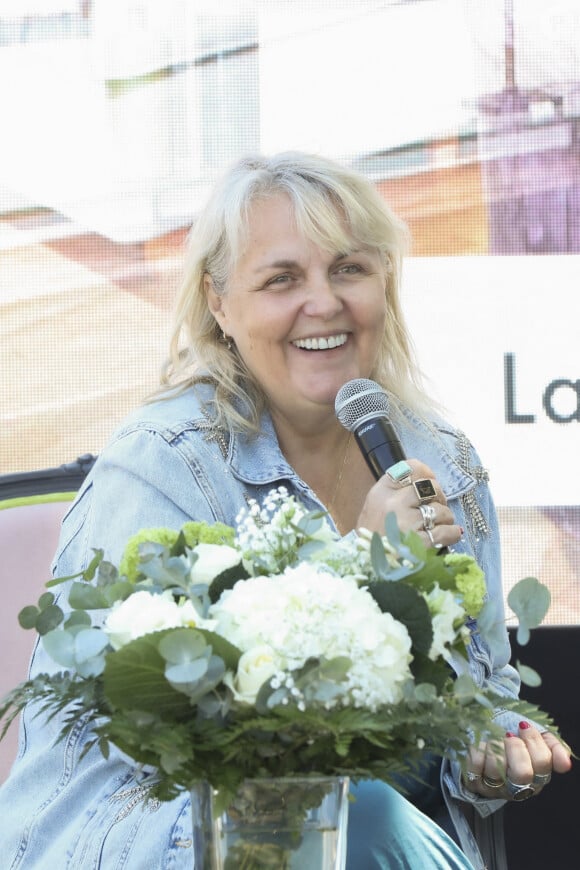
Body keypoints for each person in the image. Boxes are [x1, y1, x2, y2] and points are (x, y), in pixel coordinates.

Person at [0, 152, 571, 869]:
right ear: (219, 304)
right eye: (282, 280)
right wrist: (361, 571)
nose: (324, 303)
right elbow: (160, 741)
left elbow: (476, 691)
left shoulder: (442, 459)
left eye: (349, 270)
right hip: (159, 827)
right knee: (350, 812)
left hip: (367, 829)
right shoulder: (161, 466)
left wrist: (491, 749)